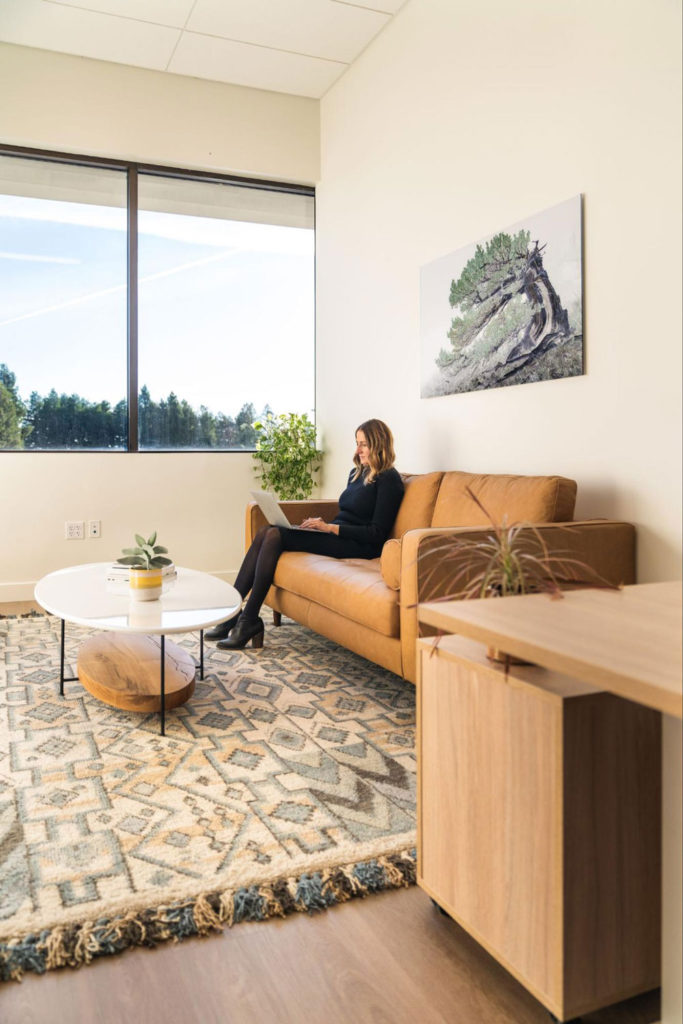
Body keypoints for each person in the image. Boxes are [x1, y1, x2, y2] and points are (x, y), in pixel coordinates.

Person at [206, 418, 404, 650]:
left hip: (358, 545)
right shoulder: (357, 472)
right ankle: (233, 613)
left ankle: (248, 620)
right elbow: (348, 513)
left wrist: (331, 528)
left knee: (274, 536)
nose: (358, 450)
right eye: (357, 443)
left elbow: (376, 534)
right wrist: (324, 524)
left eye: (364, 444)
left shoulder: (389, 478)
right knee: (265, 532)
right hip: (337, 535)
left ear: (378, 444)